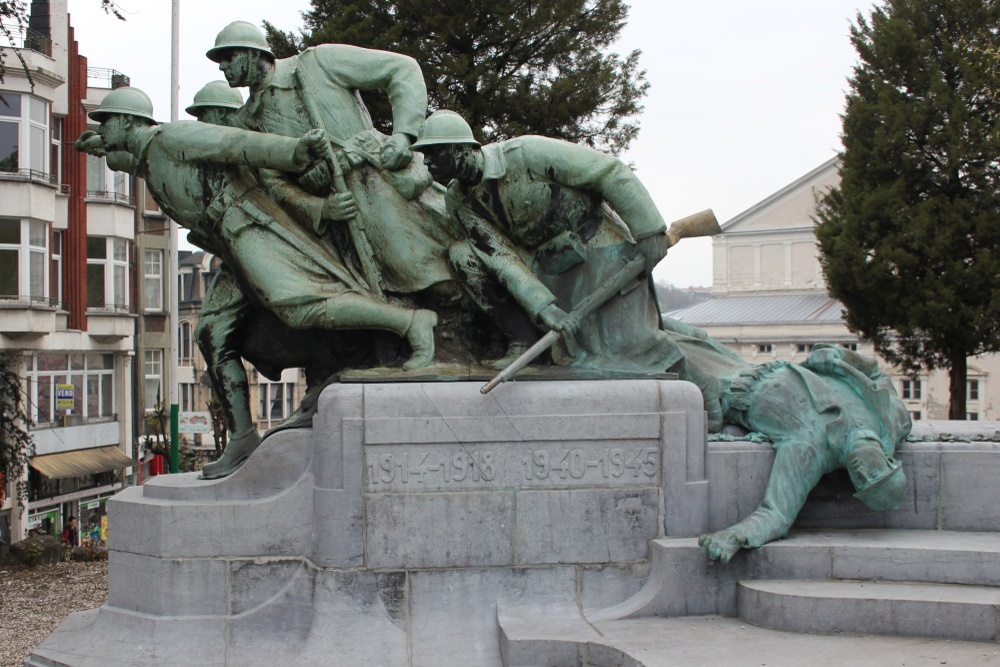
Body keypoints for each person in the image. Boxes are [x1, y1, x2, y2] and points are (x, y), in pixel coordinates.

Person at [76, 86, 438, 479]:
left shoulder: (172, 137)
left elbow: (239, 143)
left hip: (249, 227)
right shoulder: (151, 151)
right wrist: (100, 145)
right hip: (228, 247)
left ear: (129, 121)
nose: (207, 121)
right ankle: (243, 436)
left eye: (107, 120)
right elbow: (132, 159)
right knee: (211, 335)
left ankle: (409, 322)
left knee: (298, 305)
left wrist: (295, 151)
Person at [412, 109, 690, 373]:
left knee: (632, 347)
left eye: (433, 153)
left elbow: (609, 171)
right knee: (464, 254)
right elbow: (498, 255)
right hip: (544, 266)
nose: (426, 162)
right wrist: (544, 308)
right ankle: (524, 340)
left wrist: (649, 230)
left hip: (598, 246)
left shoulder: (526, 154)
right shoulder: (457, 200)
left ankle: (711, 397)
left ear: (459, 149)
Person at [207, 21, 463, 308]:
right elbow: (275, 186)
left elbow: (403, 69)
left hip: (379, 178)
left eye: (228, 58)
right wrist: (320, 209)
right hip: (339, 216)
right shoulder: (248, 121)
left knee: (430, 270)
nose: (222, 67)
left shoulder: (317, 62)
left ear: (252, 53)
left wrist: (404, 136)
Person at [660, 318, 911, 563]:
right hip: (748, 367)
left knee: (651, 338)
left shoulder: (812, 450)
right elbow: (876, 372)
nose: (862, 474)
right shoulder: (893, 419)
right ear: (889, 462)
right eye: (875, 475)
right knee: (678, 328)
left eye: (862, 483)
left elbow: (777, 514)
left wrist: (733, 538)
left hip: (723, 389)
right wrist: (840, 355)